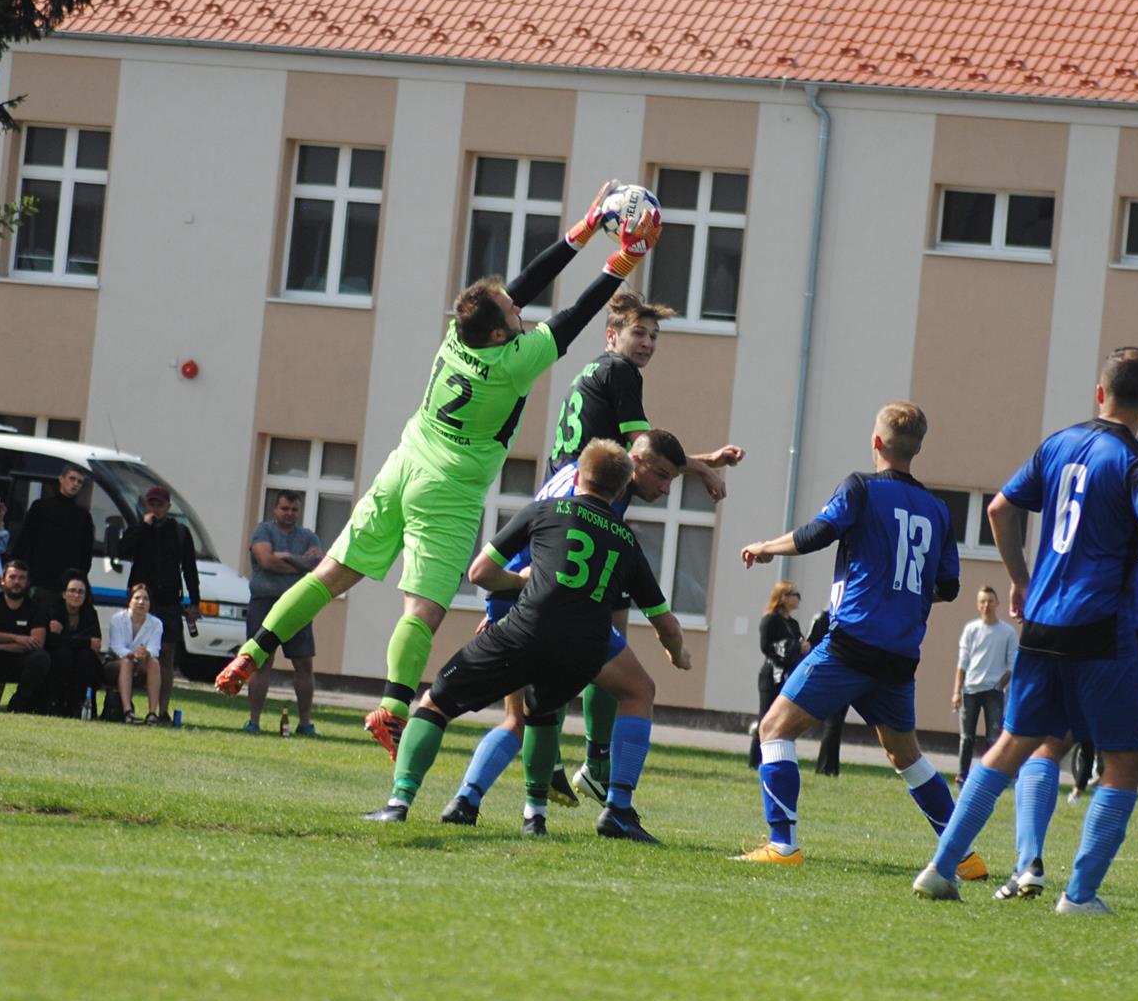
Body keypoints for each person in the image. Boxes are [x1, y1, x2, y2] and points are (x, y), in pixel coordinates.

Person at [215, 181, 664, 759]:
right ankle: (394, 707)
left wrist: (581, 230)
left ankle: (255, 649)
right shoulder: (513, 363)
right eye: (510, 312)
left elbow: (519, 291)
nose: (516, 306)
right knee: (421, 610)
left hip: (403, 463)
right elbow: (575, 316)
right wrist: (624, 258)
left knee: (329, 574)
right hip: (448, 488)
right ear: (502, 332)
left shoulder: (460, 333)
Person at [917, 350, 1138, 909]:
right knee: (1126, 759)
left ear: (1101, 393)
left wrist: (1020, 580)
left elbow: (999, 508)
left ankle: (942, 867)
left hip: (1043, 621)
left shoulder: (1059, 443)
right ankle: (1081, 893)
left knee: (1016, 744)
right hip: (1103, 627)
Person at [363, 440, 688, 846]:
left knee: (437, 704)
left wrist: (518, 584)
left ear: (580, 474)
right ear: (624, 484)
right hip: (585, 645)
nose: (663, 487)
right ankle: (603, 809)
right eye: (661, 477)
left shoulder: (546, 507)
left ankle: (402, 802)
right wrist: (680, 654)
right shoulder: (625, 538)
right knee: (587, 703)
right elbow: (665, 620)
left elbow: (480, 571)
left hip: (525, 625)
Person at [736, 402, 975, 873]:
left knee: (773, 729)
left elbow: (818, 533)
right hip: (900, 653)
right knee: (906, 757)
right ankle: (963, 856)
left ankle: (782, 845)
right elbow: (948, 587)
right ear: (918, 448)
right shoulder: (939, 510)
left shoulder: (861, 487)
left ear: (877, 442)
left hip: (852, 644)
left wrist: (766, 547)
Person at [537, 293, 744, 801]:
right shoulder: (622, 373)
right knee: (581, 642)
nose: (648, 343)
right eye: (639, 333)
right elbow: (644, 450)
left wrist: (700, 459)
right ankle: (565, 765)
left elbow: (638, 457)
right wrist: (702, 468)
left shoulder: (593, 372)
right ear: (612, 336)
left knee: (601, 633)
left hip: (565, 511)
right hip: (587, 521)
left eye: (654, 336)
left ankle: (583, 764)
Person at [242, 490, 324, 735]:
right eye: (284, 509)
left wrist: (287, 556)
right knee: (261, 662)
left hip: (297, 604)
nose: (289, 514)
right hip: (264, 603)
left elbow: (318, 566)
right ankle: (254, 721)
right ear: (275, 509)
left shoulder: (308, 536)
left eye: (294, 510)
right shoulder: (263, 531)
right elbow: (266, 561)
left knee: (304, 663)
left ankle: (305, 724)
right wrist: (301, 564)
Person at [119, 485, 199, 724]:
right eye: (151, 503)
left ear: (168, 507)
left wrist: (195, 601)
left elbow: (190, 570)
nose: (155, 508)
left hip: (168, 602)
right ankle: (127, 706)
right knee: (133, 651)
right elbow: (122, 550)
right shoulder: (138, 529)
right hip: (141, 601)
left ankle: (161, 710)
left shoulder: (180, 533)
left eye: (159, 504)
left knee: (166, 654)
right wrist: (143, 526)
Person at [952, 586, 1018, 784]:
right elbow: (962, 662)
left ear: (997, 603)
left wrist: (999, 686)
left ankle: (989, 777)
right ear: (977, 605)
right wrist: (957, 691)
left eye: (990, 601)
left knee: (993, 738)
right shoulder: (971, 630)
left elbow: (1012, 665)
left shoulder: (1007, 632)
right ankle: (962, 776)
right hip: (970, 690)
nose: (986, 605)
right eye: (983, 601)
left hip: (993, 693)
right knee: (967, 738)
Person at [748, 580, 809, 768]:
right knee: (765, 717)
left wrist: (803, 647)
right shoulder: (770, 620)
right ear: (783, 597)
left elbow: (800, 644)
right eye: (795, 595)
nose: (798, 599)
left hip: (788, 675)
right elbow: (766, 647)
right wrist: (796, 647)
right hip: (770, 675)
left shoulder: (793, 623)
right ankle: (755, 760)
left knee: (782, 718)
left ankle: (773, 757)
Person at [11, 464, 95, 601]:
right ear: (61, 479)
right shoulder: (40, 508)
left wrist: (77, 580)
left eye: (79, 481)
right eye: (72, 479)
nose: (75, 484)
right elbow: (23, 541)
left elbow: (86, 555)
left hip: (67, 587)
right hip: (39, 583)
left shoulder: (83, 516)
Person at [0, 558, 52, 712]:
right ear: (3, 580)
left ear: (28, 582)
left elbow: (37, 643)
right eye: (12, 577)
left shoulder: (36, 608)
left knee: (41, 657)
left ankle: (19, 703)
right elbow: (27, 642)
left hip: (19, 661)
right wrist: (18, 638)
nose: (17, 582)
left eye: (22, 578)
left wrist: (1, 645)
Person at [106, 583, 164, 724]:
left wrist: (145, 653)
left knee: (154, 663)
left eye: (146, 599)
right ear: (130, 601)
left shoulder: (156, 623)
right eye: (137, 598)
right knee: (126, 662)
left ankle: (152, 713)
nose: (141, 602)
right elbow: (117, 647)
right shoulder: (117, 619)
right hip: (114, 664)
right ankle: (128, 712)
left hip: (141, 663)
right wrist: (134, 654)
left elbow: (154, 649)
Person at [46, 571, 102, 717]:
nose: (76, 595)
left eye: (80, 592)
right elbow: (52, 641)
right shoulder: (53, 610)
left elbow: (96, 644)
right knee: (64, 654)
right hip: (58, 657)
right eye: (72, 591)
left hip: (81, 659)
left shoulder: (90, 614)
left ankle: (79, 706)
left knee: (86, 657)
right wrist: (84, 641)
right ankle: (54, 704)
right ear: (64, 594)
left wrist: (66, 638)